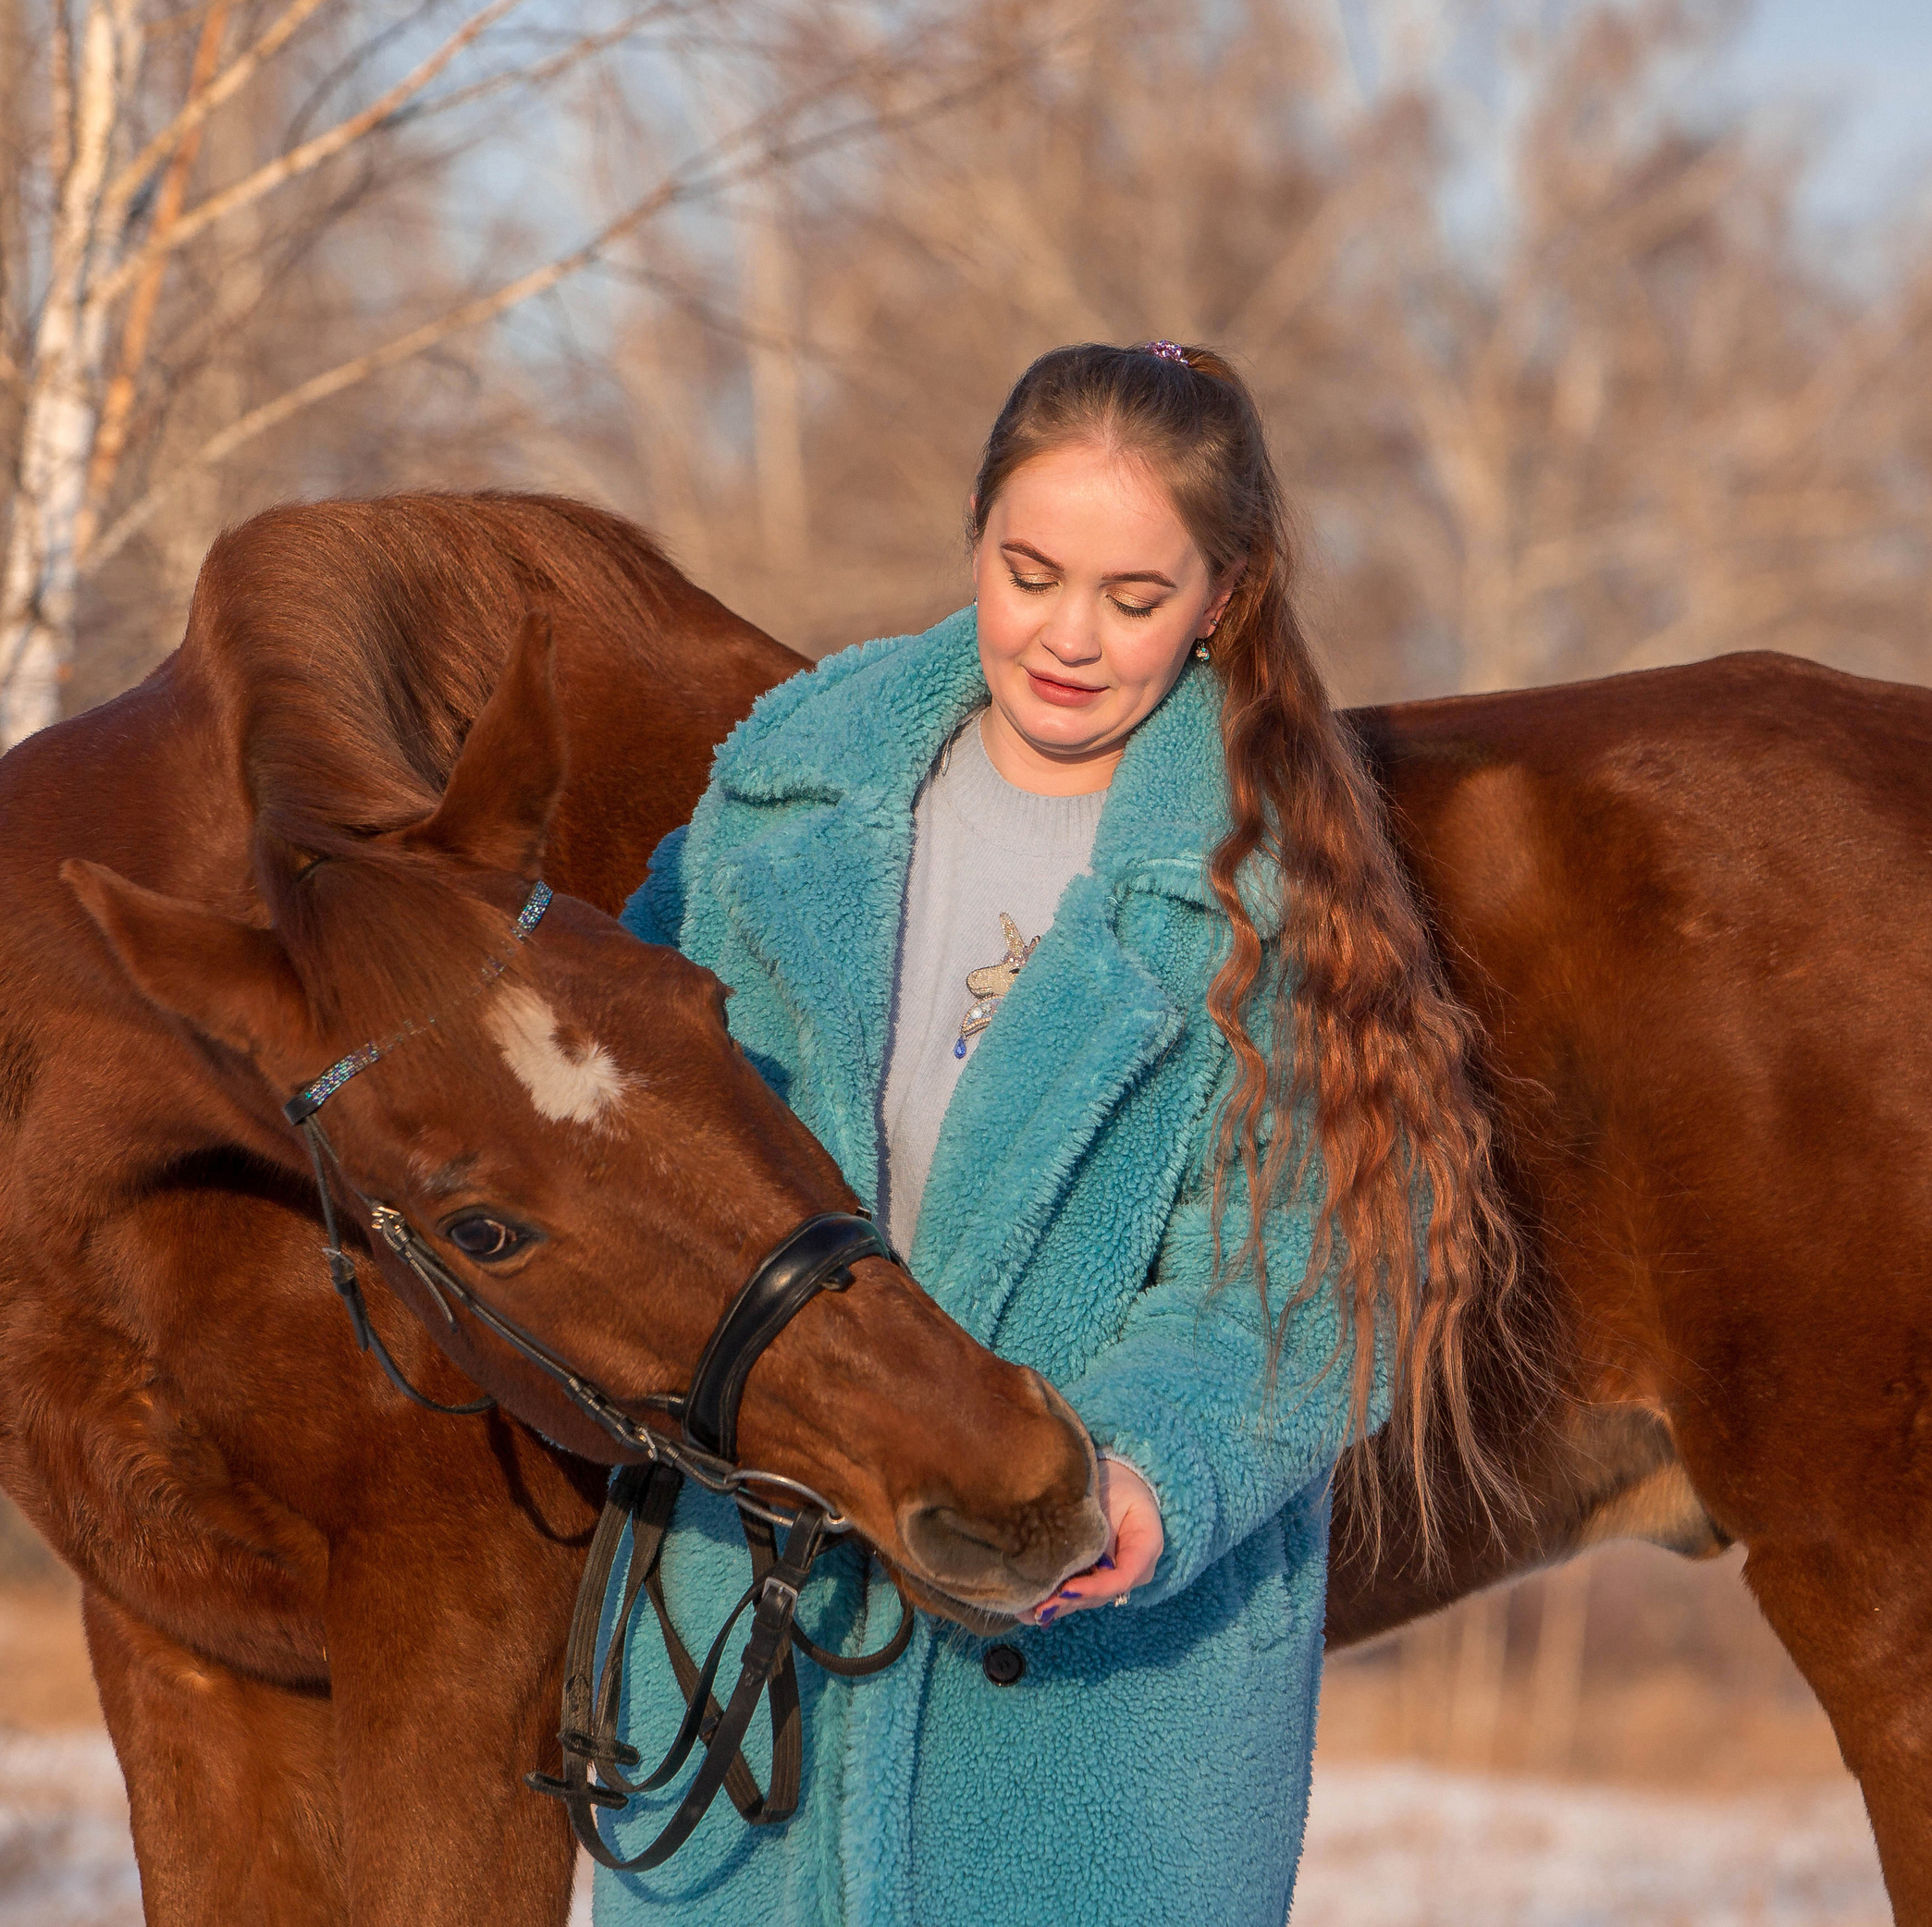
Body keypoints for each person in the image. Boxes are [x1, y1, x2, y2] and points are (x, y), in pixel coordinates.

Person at [605, 340, 1514, 1927]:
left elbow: (1324, 1273)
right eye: (1030, 573)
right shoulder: (780, 803)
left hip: (1095, 1705)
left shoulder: (1276, 890)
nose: (1068, 638)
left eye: (1134, 596)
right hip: (758, 1666)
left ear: (1224, 600)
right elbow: (622, 1134)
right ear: (977, 540)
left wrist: (1146, 1472)